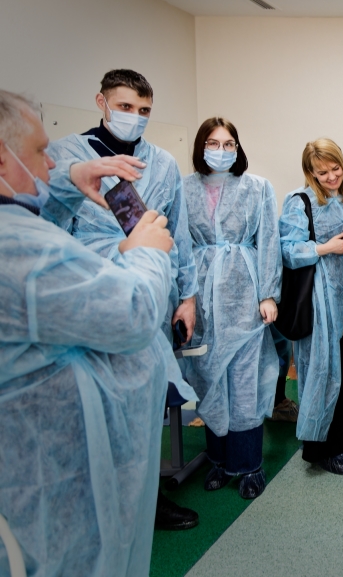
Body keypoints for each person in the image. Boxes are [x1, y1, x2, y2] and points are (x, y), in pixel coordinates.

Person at [0, 90, 177, 576]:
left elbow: (47, 214)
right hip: (48, 471)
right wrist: (146, 251)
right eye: (41, 151)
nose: (52, 164)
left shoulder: (22, 228)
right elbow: (133, 313)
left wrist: (72, 179)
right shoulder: (17, 245)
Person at [46, 69, 199, 530]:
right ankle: (93, 500)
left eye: (144, 110)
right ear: (102, 102)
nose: (135, 116)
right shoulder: (69, 154)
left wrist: (188, 296)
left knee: (146, 399)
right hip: (90, 295)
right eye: (126, 106)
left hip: (147, 291)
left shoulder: (163, 164)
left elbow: (179, 233)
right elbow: (47, 212)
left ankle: (147, 498)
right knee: (91, 401)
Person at [181, 117, 283, 499]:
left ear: (237, 148)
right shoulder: (183, 188)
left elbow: (269, 240)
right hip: (202, 296)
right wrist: (184, 297)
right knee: (209, 377)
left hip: (245, 292)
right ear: (200, 146)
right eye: (213, 143)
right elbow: (179, 245)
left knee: (244, 379)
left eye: (228, 144)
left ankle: (248, 464)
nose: (221, 151)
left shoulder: (257, 187)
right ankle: (219, 460)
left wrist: (268, 294)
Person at [279, 139, 343, 475]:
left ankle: (342, 441)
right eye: (322, 172)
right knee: (322, 370)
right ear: (310, 173)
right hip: (319, 302)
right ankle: (321, 448)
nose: (331, 177)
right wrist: (325, 248)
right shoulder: (299, 202)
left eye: (336, 169)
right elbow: (288, 251)